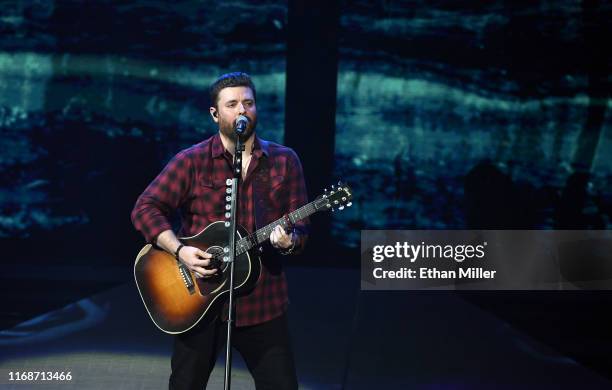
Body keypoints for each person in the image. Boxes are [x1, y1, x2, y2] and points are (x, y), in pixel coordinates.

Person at [131, 72, 309, 390]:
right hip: (199, 303)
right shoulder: (192, 161)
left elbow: (301, 233)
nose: (242, 111)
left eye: (248, 103)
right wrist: (180, 250)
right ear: (215, 114)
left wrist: (287, 242)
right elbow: (145, 209)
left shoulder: (284, 161)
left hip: (262, 303)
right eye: (232, 104)